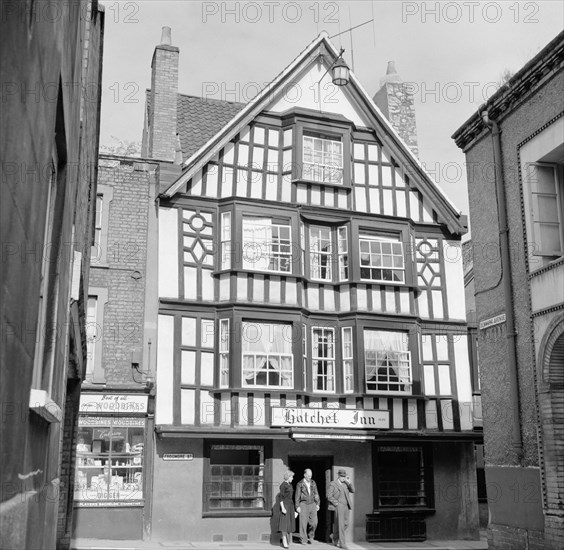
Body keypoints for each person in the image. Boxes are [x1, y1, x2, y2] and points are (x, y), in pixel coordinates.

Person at [327, 469, 355, 550]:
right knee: (341, 525)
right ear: (338, 476)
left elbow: (353, 490)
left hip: (346, 506)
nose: (343, 477)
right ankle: (342, 544)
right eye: (342, 476)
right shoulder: (333, 484)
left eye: (344, 476)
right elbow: (329, 496)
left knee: (346, 524)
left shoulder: (346, 484)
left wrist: (349, 482)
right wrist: (336, 503)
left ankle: (334, 536)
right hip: (339, 506)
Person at [294, 468, 320, 545]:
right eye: (308, 476)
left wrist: (318, 503)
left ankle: (311, 536)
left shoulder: (313, 482)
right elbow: (297, 496)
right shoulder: (300, 484)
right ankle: (303, 539)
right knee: (303, 523)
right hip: (303, 504)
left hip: (312, 503)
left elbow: (316, 494)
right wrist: (297, 506)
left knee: (314, 522)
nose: (310, 477)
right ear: (304, 475)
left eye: (311, 476)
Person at [278, 470, 297, 548]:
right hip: (285, 505)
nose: (292, 478)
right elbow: (281, 498)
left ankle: (285, 539)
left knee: (289, 523)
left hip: (290, 505)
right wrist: (282, 508)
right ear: (288, 477)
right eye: (291, 477)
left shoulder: (290, 485)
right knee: (284, 524)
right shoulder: (283, 485)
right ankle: (284, 540)